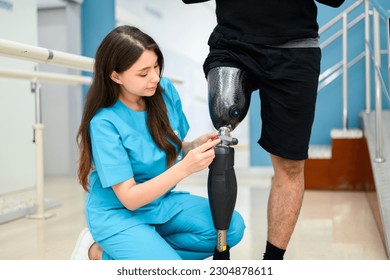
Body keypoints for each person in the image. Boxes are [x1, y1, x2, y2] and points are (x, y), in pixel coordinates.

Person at [181, 0, 345, 260]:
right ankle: (221, 252)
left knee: (290, 165)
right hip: (233, 44)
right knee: (224, 123)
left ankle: (272, 264)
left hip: (295, 49)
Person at [71, 25, 245, 260]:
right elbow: (130, 198)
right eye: (143, 73)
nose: (154, 77)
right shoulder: (104, 123)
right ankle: (98, 253)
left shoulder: (164, 92)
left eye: (156, 66)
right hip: (119, 213)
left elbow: (170, 144)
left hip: (160, 203)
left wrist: (191, 146)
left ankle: (144, 248)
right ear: (116, 75)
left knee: (232, 228)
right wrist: (185, 168)